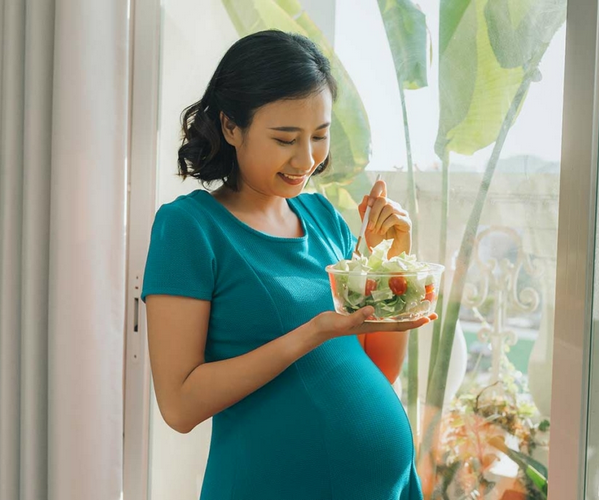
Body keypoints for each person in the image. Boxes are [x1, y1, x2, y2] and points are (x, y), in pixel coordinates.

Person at [141, 29, 436, 499]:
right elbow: (178, 405)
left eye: (320, 135)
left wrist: (388, 264)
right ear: (231, 127)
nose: (307, 159)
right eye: (285, 139)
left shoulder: (322, 218)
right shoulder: (189, 228)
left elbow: (375, 367)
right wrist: (312, 332)